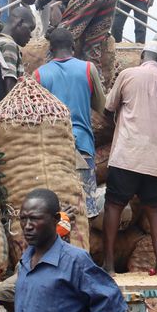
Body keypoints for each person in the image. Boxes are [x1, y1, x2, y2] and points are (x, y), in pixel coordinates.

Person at [100, 41, 157, 273]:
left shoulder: (128, 74)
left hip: (128, 154)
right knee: (154, 210)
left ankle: (109, 265)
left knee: (114, 205)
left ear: (143, 55)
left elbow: (109, 108)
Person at [36, 28, 107, 219]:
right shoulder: (87, 68)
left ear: (50, 49)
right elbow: (101, 105)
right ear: (73, 46)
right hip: (82, 145)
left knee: (57, 207)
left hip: (53, 148)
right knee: (84, 208)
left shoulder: (39, 74)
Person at [0, 5, 37, 90]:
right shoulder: (9, 45)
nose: (30, 36)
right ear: (19, 22)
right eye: (30, 28)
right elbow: (9, 86)